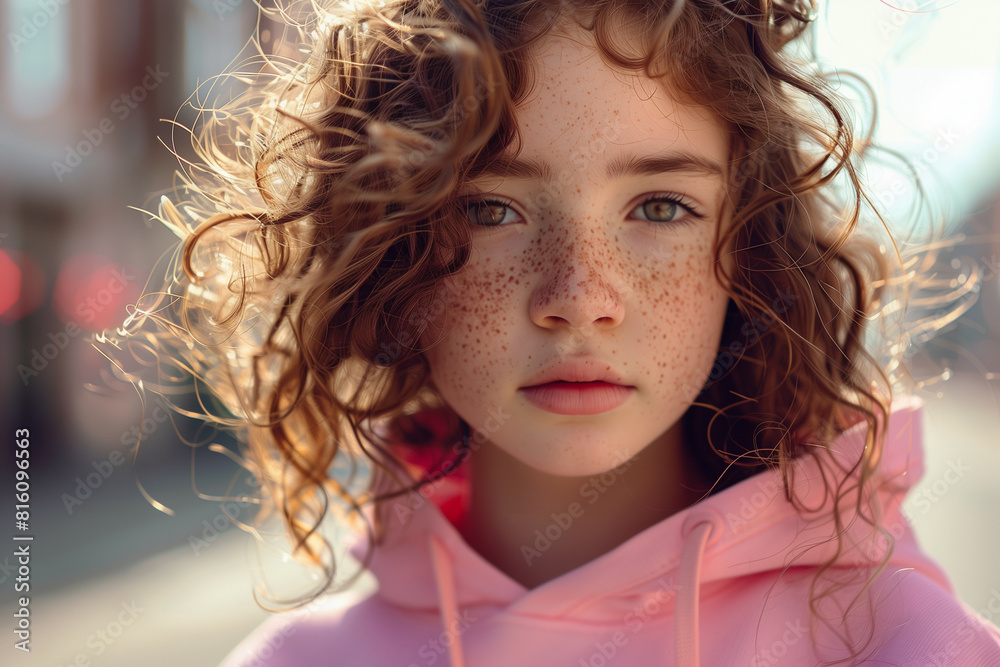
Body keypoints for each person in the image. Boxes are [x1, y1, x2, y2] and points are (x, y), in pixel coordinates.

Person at [106, 0, 1000, 665]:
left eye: (660, 205)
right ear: (391, 250)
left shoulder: (906, 643)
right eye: (491, 207)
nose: (579, 296)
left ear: (752, 249)